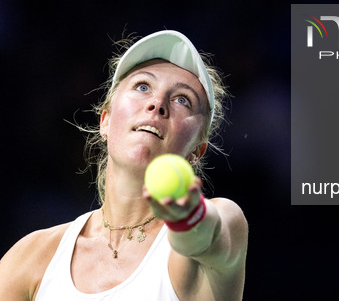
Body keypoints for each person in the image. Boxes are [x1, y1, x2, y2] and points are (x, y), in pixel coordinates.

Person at [0, 30, 248, 300]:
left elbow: (209, 234)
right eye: (143, 86)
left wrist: (189, 218)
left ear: (196, 152)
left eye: (182, 100)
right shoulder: (32, 257)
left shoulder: (222, 225)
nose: (158, 104)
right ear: (104, 120)